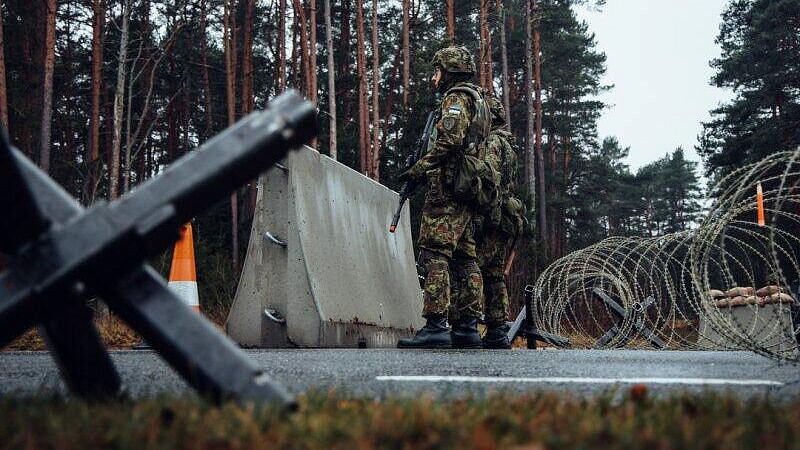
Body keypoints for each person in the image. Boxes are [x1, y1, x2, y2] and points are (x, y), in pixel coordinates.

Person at [397, 45, 490, 349]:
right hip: (465, 189)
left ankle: (436, 325)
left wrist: (418, 169)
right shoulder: (477, 100)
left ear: (450, 71)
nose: (434, 78)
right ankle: (467, 328)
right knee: (465, 258)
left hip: (447, 190)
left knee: (434, 253)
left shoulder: (456, 99)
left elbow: (449, 140)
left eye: (437, 71)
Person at [476, 95, 524, 349]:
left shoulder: (493, 142)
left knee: (475, 268)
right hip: (504, 216)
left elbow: (489, 178)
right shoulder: (509, 144)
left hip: (491, 216)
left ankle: (470, 324)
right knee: (494, 274)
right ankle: (497, 328)